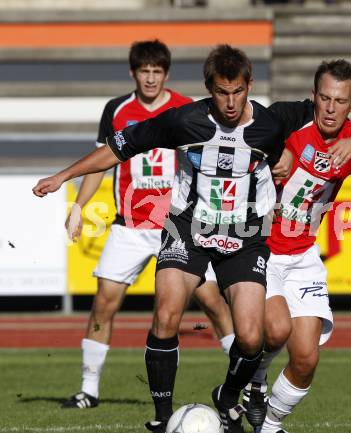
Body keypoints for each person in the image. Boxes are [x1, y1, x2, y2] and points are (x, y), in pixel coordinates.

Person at [33, 44, 291, 433]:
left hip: (244, 232)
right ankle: (161, 416)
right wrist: (62, 178)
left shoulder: (274, 122)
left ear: (249, 86)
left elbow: (321, 121)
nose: (231, 101)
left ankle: (229, 395)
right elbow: (114, 150)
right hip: (183, 226)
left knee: (252, 336)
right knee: (166, 312)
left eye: (238, 91)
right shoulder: (183, 119)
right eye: (222, 92)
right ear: (209, 88)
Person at [61, 40, 234, 410]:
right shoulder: (117, 110)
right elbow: (102, 161)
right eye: (144, 71)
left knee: (213, 301)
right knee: (103, 305)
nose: (151, 78)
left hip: (178, 225)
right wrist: (78, 204)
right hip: (129, 226)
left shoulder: (187, 108)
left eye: (157, 71)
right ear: (133, 73)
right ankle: (88, 390)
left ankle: (246, 383)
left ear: (166, 74)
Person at [243, 59, 351, 433]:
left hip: (304, 255)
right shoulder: (290, 123)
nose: (330, 107)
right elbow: (252, 136)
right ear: (314, 96)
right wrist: (278, 154)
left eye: (340, 101)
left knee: (306, 358)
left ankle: (270, 425)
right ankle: (251, 385)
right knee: (275, 330)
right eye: (324, 98)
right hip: (261, 249)